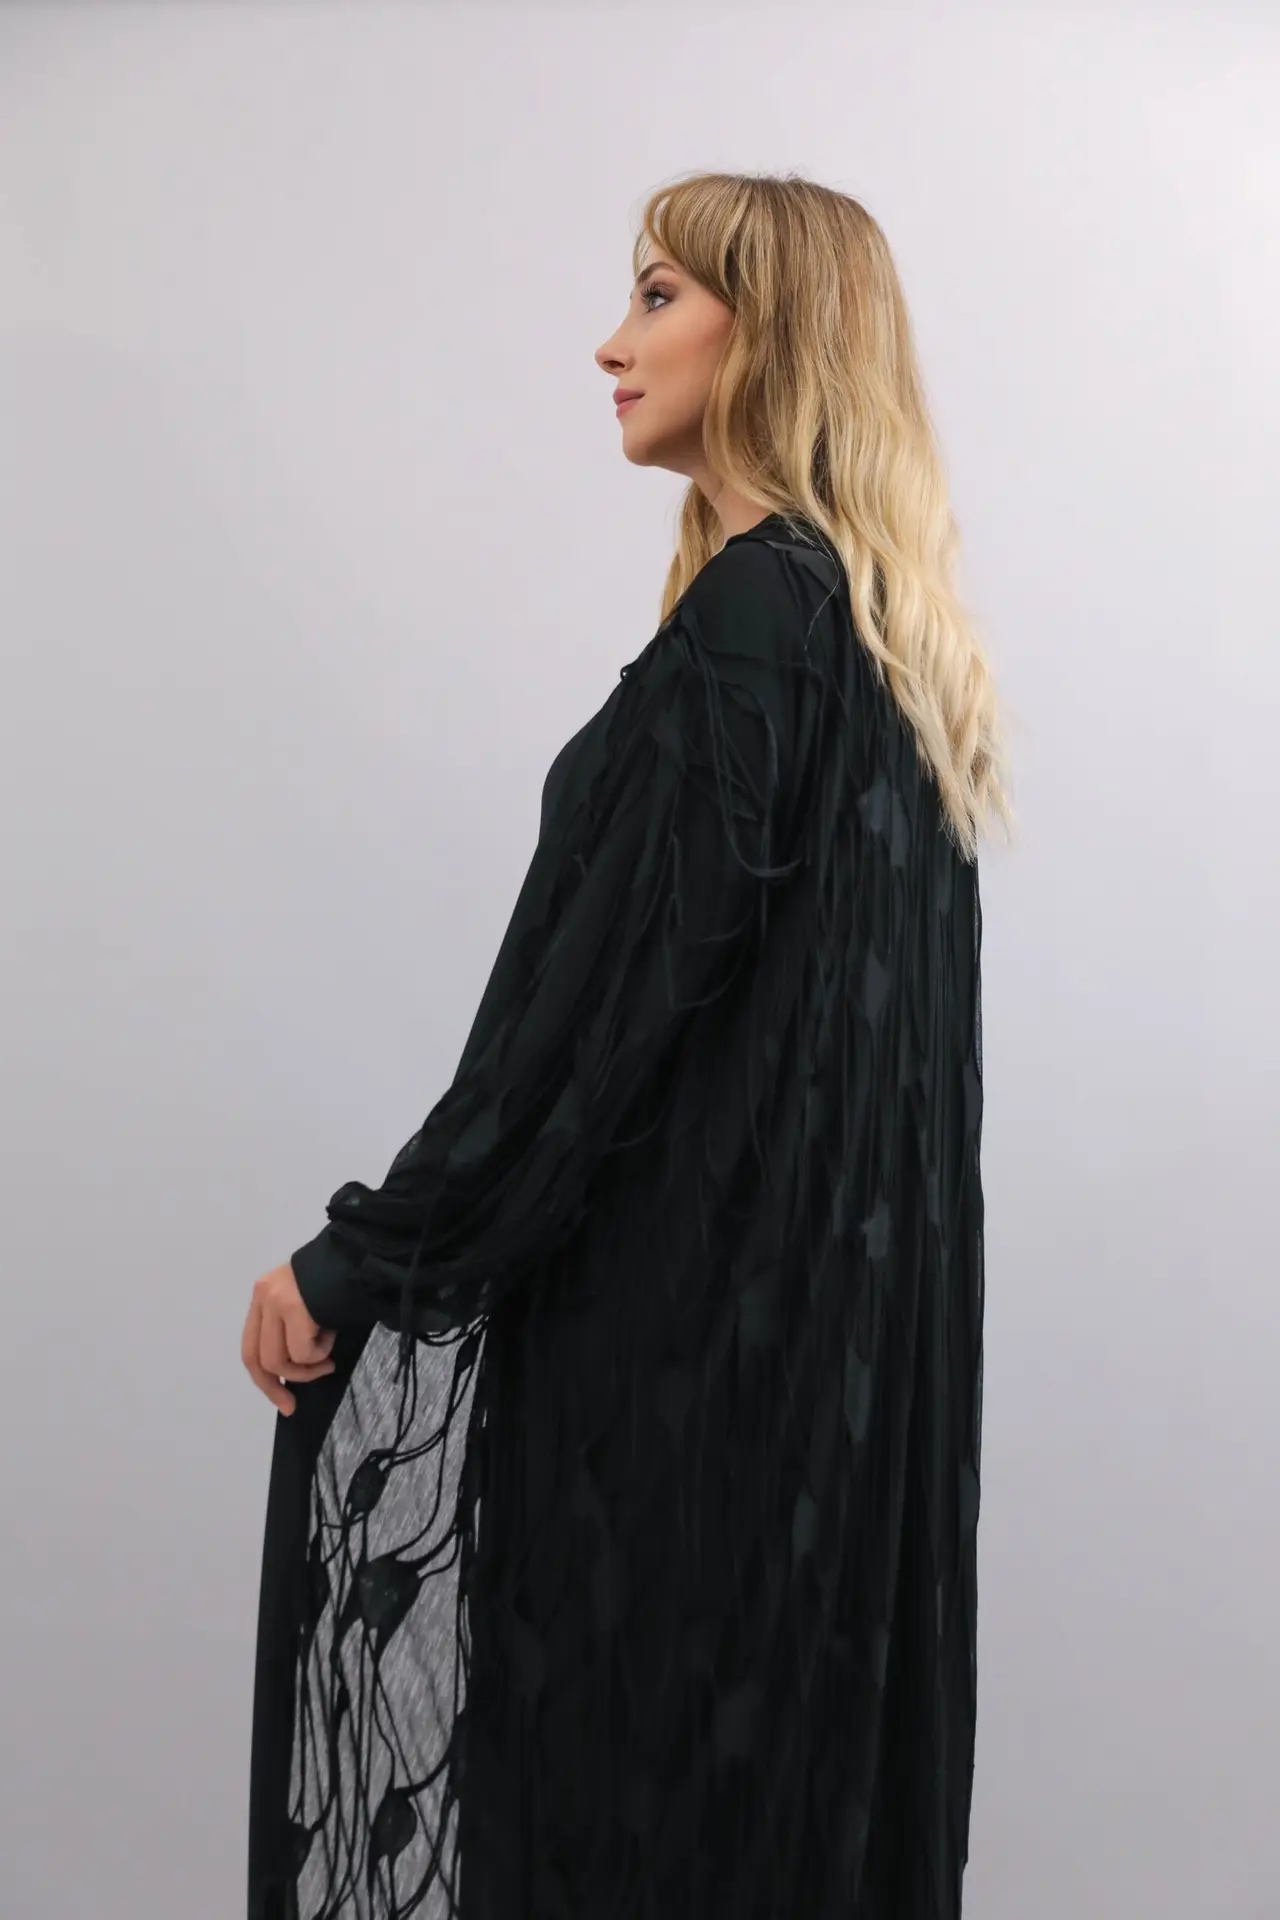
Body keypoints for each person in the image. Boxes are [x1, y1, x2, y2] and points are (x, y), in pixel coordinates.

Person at [243, 168, 1012, 1920]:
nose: (613, 341)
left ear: (773, 330)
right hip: (811, 1416)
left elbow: (588, 1032)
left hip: (680, 1400)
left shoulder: (759, 625)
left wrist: (360, 1257)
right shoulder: (881, 642)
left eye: (660, 296)